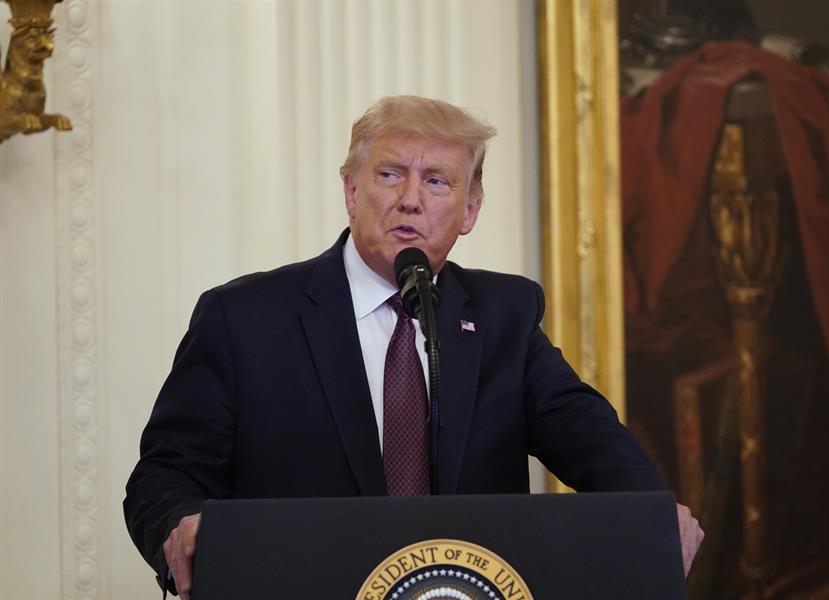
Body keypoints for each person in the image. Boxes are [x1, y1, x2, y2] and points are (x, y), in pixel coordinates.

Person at [124, 95, 703, 599]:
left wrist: (652, 512)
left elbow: (589, 437)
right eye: (389, 174)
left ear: (470, 209)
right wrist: (183, 525)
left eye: (436, 181)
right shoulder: (245, 318)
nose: (410, 199)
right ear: (350, 190)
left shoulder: (503, 316)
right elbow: (164, 475)